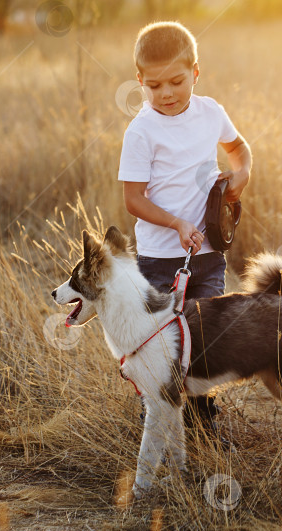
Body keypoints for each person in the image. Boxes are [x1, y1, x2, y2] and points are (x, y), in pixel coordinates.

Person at [117, 21, 252, 439]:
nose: (167, 93)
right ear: (140, 82)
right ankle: (158, 422)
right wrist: (176, 223)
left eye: (176, 81)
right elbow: (133, 199)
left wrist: (242, 173)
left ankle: (202, 422)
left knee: (206, 339)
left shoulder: (211, 112)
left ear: (195, 72)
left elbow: (238, 148)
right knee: (161, 343)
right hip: (160, 259)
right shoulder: (141, 131)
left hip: (208, 253)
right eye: (154, 86)